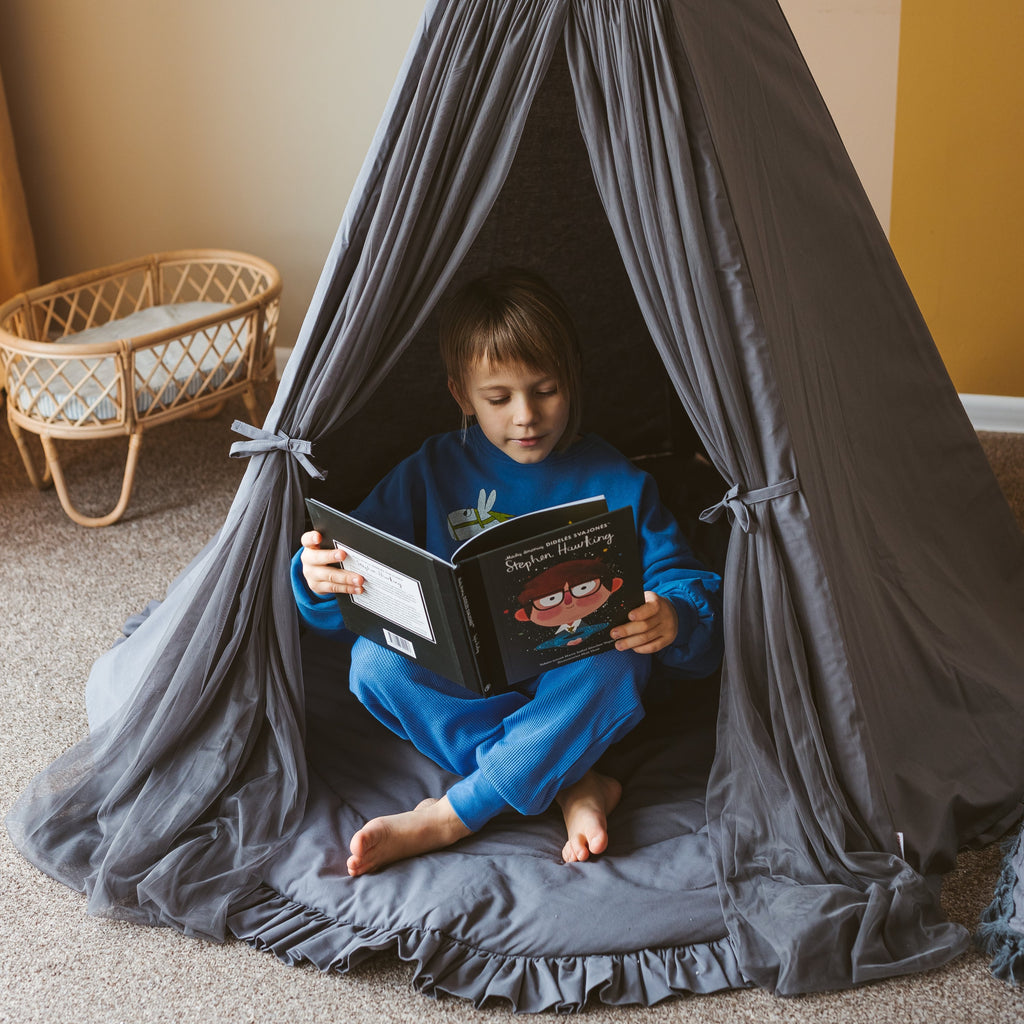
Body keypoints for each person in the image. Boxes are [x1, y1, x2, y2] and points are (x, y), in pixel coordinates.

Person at [292, 268, 723, 877]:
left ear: (571, 381)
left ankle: (453, 814)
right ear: (461, 395)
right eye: (499, 399)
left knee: (616, 657)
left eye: (545, 390)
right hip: (471, 684)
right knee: (373, 664)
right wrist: (316, 574)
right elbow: (352, 571)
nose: (526, 416)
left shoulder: (617, 479)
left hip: (577, 683)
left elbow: (686, 584)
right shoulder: (430, 469)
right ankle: (573, 778)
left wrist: (673, 617)